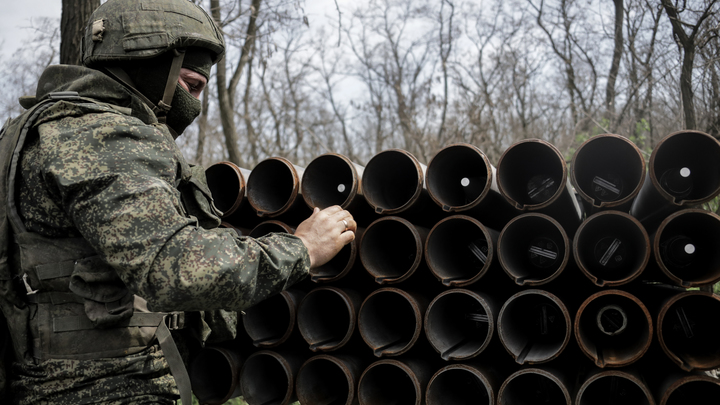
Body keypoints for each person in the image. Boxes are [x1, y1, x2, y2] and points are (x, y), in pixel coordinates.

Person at [0, 0, 356, 403]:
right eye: (192, 85)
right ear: (152, 65)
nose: (196, 106)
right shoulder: (106, 136)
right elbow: (177, 268)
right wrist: (303, 248)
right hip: (110, 387)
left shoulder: (33, 132)